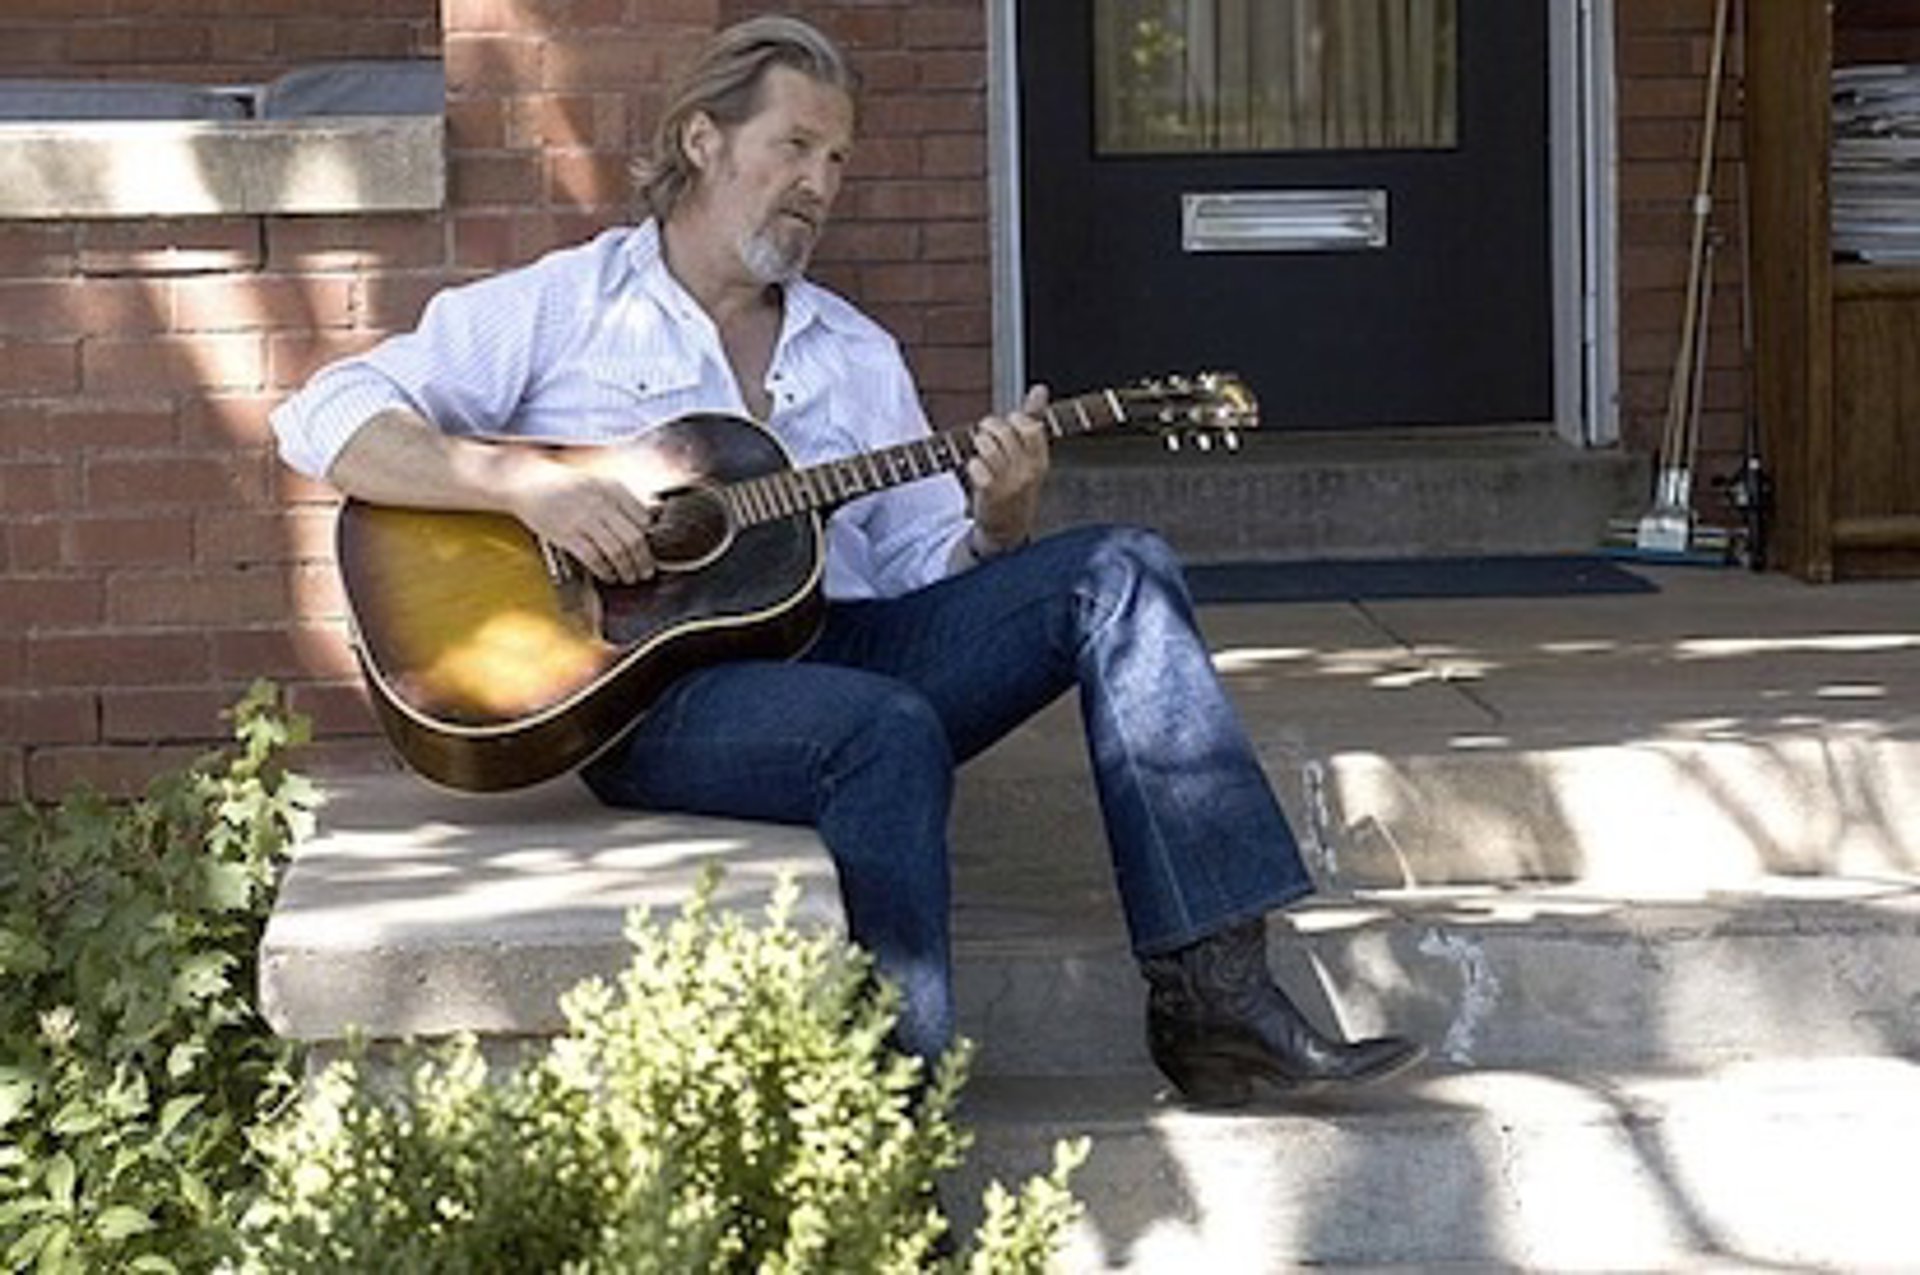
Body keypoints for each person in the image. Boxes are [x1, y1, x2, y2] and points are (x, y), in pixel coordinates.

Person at [269, 13, 1423, 1107]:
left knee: (1117, 568)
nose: (820, 182)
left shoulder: (854, 353)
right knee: (885, 731)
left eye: (838, 159)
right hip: (647, 693)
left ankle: (1214, 996)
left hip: (843, 641)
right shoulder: (569, 304)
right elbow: (324, 413)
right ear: (703, 139)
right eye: (796, 146)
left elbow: (925, 567)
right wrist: (527, 486)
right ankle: (898, 1121)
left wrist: (998, 525)